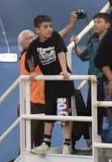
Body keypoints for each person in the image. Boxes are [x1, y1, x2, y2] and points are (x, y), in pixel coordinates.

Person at [23, 12, 78, 151]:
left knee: (65, 113)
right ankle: (46, 143)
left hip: (63, 81)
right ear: (38, 30)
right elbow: (28, 57)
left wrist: (64, 70)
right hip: (50, 83)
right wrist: (32, 71)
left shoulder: (55, 37)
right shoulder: (34, 44)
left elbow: (61, 52)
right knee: (49, 112)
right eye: (45, 26)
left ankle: (67, 143)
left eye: (51, 26)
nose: (49, 29)